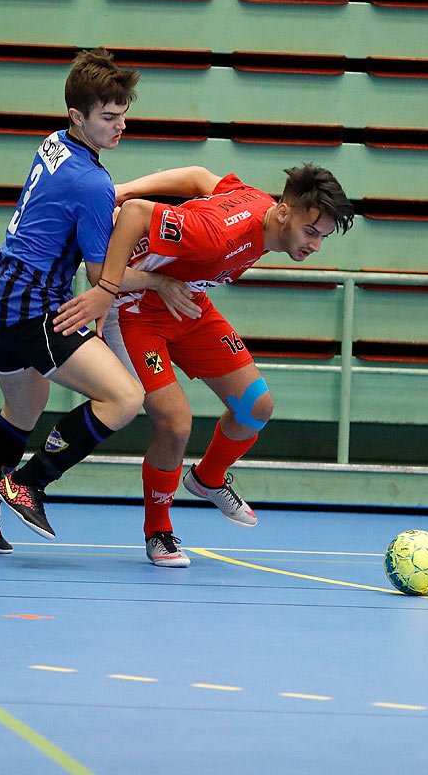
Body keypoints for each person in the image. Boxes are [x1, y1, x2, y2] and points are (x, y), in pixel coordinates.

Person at [52, 163, 354, 567]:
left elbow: (197, 175)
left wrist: (126, 184)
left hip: (187, 303)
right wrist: (109, 276)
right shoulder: (217, 237)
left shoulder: (256, 204)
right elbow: (137, 213)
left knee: (255, 406)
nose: (314, 246)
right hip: (134, 310)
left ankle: (208, 478)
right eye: (311, 232)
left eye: (323, 237)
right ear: (284, 213)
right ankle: (157, 531)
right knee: (176, 423)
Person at [0, 49, 197, 553]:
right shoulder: (93, 181)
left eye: (124, 114)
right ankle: (30, 481)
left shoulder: (54, 145)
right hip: (30, 304)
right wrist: (159, 281)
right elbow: (99, 273)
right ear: (77, 116)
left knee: (25, 407)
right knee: (125, 397)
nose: (121, 125)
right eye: (109, 117)